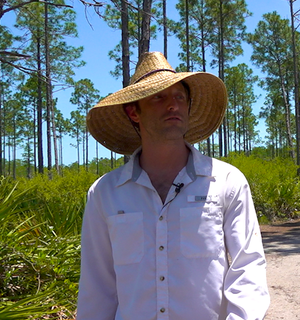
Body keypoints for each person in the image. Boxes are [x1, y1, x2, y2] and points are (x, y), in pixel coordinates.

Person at [77, 52, 270, 319]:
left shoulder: (226, 181)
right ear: (134, 111)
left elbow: (248, 267)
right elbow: (97, 287)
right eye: (158, 97)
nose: (173, 105)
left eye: (180, 97)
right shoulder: (105, 193)